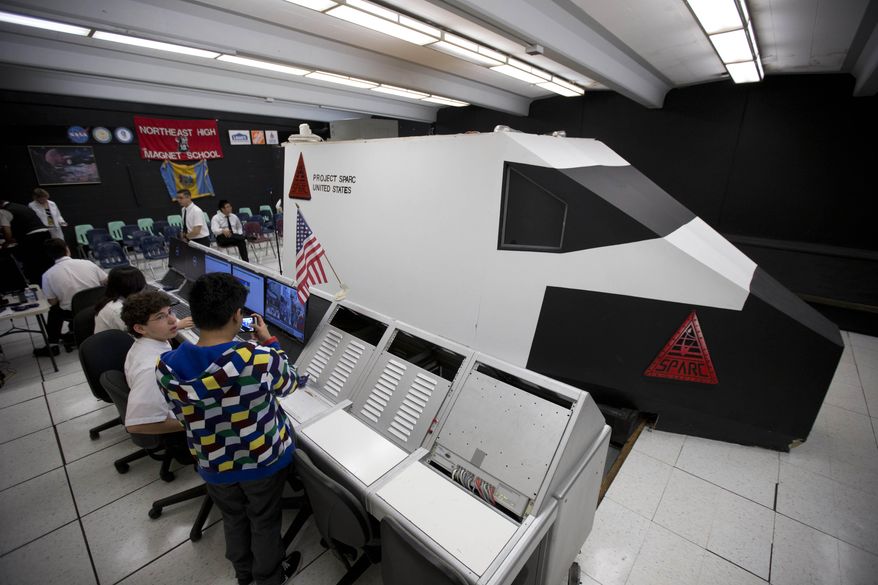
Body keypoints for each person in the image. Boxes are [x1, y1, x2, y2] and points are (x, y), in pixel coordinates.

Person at [156, 273, 304, 585]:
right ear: (238, 316)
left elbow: (184, 412)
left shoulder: (166, 365)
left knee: (234, 518)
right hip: (262, 460)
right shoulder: (256, 358)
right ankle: (269, 578)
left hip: (212, 463)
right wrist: (270, 341)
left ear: (194, 316)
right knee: (263, 520)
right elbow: (290, 382)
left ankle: (243, 573)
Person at [120, 291, 194, 463]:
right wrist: (193, 422)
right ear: (140, 328)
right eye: (161, 317)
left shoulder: (148, 343)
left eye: (170, 312)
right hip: (181, 432)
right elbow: (136, 424)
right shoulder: (150, 368)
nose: (172, 320)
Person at [37, 238, 107, 356]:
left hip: (74, 312)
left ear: (49, 255)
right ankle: (75, 329)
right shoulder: (87, 263)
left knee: (54, 310)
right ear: (67, 249)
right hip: (99, 306)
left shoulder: (47, 275)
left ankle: (52, 344)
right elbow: (106, 281)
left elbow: (52, 301)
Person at [0, 199, 53, 284]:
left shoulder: (3, 211)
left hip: (31, 238)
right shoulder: (21, 206)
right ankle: (53, 282)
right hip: (45, 233)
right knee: (47, 261)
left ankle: (39, 285)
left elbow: (7, 233)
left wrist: (6, 242)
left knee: (33, 264)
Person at [93, 266, 147, 333]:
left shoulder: (111, 299)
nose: (144, 290)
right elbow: (138, 335)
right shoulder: (118, 310)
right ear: (133, 288)